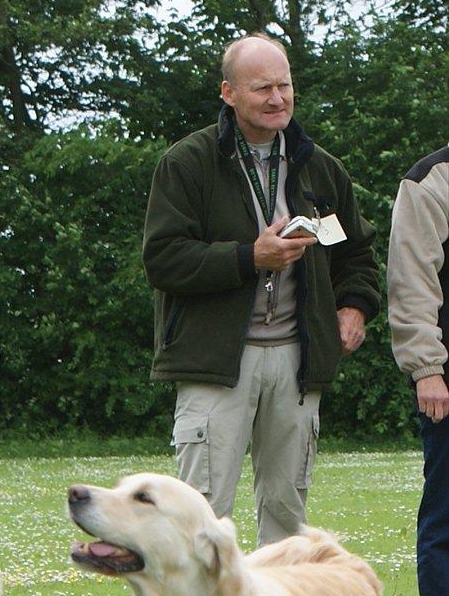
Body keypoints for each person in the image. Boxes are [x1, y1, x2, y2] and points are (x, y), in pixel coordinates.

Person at [143, 33, 380, 545]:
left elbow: (356, 254)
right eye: (262, 89)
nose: (277, 99)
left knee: (287, 518)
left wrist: (354, 308)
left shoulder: (321, 168)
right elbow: (163, 259)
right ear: (228, 93)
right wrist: (249, 257)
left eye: (284, 85)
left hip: (297, 363)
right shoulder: (187, 163)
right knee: (201, 521)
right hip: (216, 365)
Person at [387, 147, 449, 596]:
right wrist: (427, 367)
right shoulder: (431, 180)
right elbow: (412, 278)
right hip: (448, 378)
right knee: (446, 519)